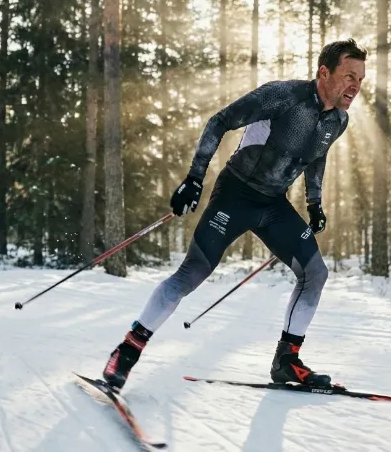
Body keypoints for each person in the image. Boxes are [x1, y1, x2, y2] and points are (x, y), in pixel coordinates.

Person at [102, 39, 367, 391]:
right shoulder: (282, 95)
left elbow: (317, 155)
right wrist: (195, 178)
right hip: (236, 194)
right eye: (349, 75)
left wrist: (315, 202)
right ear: (324, 72)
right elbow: (220, 121)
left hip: (273, 204)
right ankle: (126, 352)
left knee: (315, 273)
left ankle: (286, 361)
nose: (355, 86)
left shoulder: (339, 120)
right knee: (191, 274)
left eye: (361, 79)